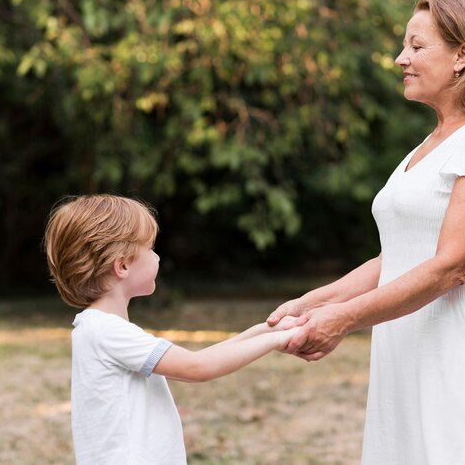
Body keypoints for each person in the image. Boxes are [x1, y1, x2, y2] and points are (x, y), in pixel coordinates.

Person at [267, 0, 465, 464]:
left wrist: (343, 320)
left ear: (463, 56)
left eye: (417, 47)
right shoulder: (428, 145)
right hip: (405, 340)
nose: (401, 59)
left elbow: (450, 267)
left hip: (459, 344)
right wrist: (313, 302)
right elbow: (396, 258)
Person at [43, 194, 299, 465]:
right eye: (150, 248)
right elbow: (198, 368)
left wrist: (267, 330)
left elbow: (200, 358)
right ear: (123, 265)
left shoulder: (100, 328)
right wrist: (279, 340)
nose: (157, 256)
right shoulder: (106, 332)